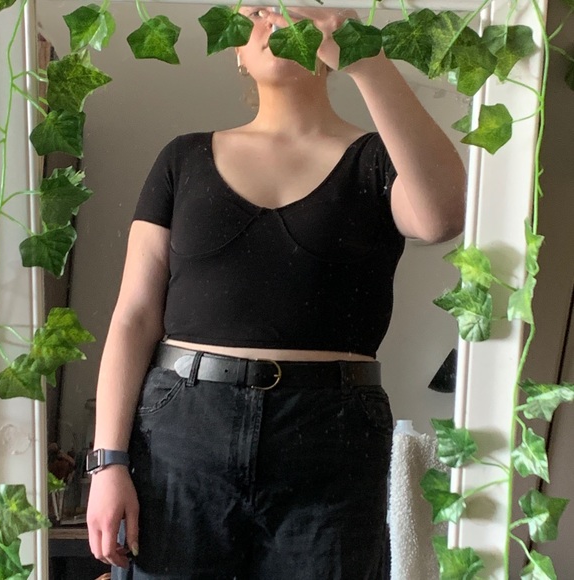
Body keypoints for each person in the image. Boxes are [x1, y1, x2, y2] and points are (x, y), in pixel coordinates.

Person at [86, 5, 466, 580]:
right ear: (238, 52)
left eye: (291, 7)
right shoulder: (182, 158)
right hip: (182, 430)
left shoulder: (378, 162)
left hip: (333, 435)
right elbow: (134, 317)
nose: (275, 18)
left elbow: (443, 216)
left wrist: (367, 59)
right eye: (256, 11)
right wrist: (107, 462)